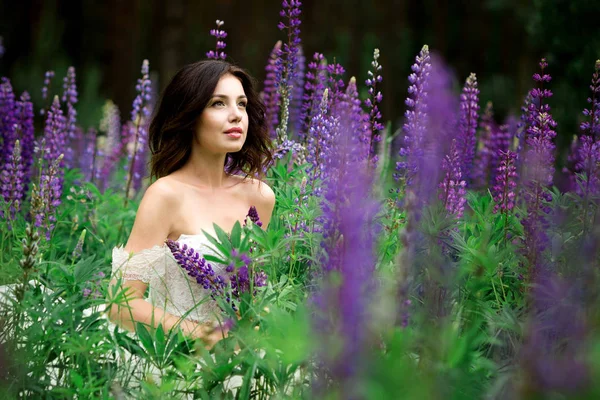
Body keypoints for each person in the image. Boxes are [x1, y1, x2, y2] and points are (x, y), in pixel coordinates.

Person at [107, 60, 275, 349]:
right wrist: (207, 335)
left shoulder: (259, 196)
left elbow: (251, 293)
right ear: (190, 115)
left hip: (239, 357)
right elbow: (121, 305)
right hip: (174, 355)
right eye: (218, 103)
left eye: (242, 104)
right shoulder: (166, 195)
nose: (236, 115)